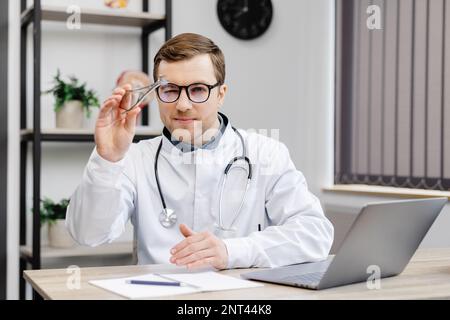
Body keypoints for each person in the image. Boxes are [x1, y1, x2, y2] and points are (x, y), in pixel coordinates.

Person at [66, 33, 334, 270]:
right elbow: (88, 235)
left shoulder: (266, 153)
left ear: (221, 93)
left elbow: (315, 234)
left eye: (198, 90)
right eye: (169, 90)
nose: (183, 105)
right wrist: (107, 159)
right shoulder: (134, 158)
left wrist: (232, 251)